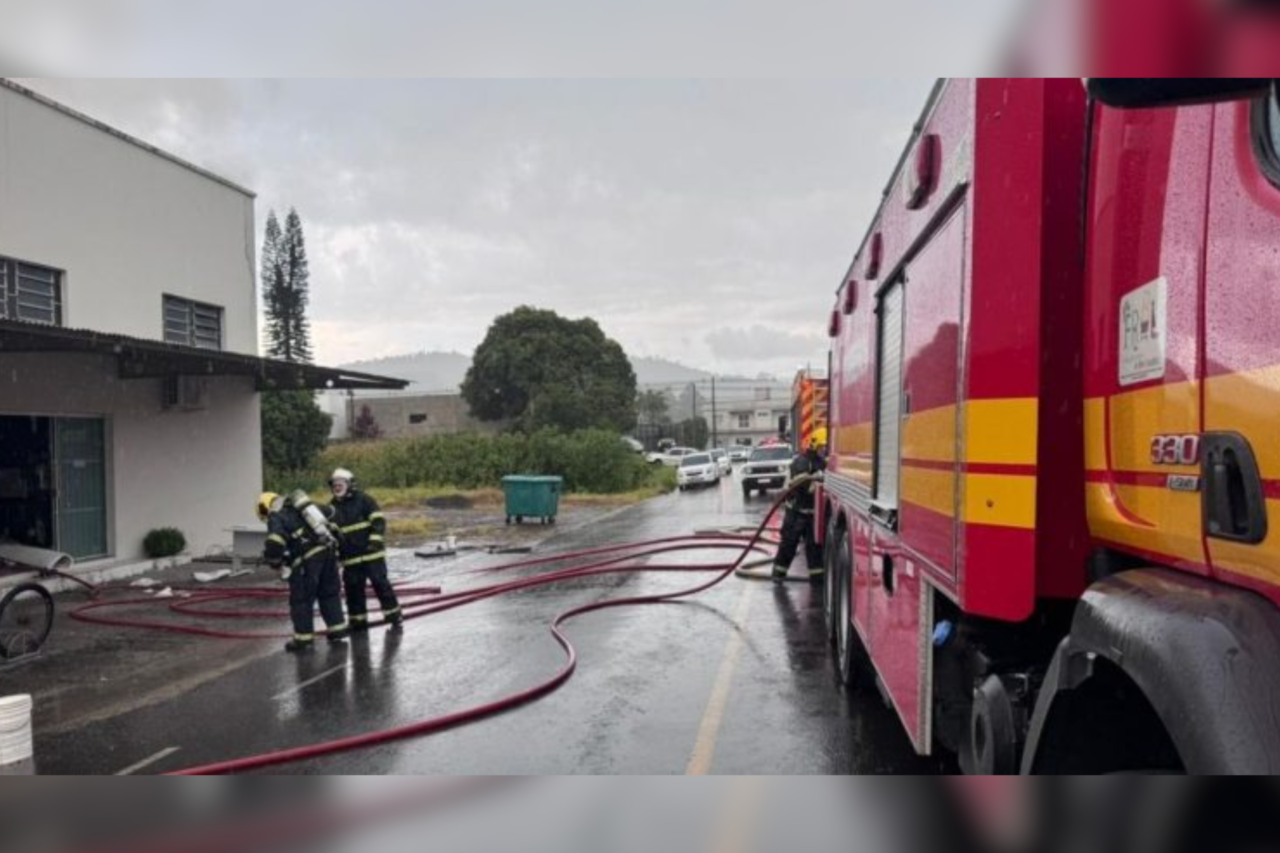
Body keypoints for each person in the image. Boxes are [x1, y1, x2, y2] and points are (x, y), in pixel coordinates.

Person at [258, 491, 350, 652]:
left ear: (266, 507)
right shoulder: (303, 509)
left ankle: (303, 639)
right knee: (329, 594)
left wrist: (274, 560)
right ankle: (338, 630)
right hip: (328, 552)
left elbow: (275, 541)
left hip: (307, 562)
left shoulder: (276, 515)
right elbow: (332, 515)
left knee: (301, 600)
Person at [328, 469, 403, 631]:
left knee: (380, 584)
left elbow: (378, 521)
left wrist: (375, 541)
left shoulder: (364, 500)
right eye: (334, 484)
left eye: (340, 483)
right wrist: (335, 554)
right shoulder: (331, 508)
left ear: (349, 484)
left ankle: (393, 616)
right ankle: (357, 621)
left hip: (372, 554)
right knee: (353, 590)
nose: (337, 487)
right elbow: (332, 534)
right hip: (350, 558)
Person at [771, 428, 829, 584]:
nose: (825, 450)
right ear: (814, 445)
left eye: (826, 447)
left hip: (812, 515)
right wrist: (816, 480)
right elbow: (803, 486)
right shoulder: (802, 461)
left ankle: (817, 578)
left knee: (815, 548)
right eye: (822, 447)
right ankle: (778, 575)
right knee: (788, 545)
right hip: (796, 513)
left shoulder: (822, 462)